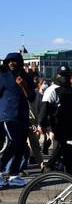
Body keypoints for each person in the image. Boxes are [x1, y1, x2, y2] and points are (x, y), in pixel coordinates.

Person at [39, 65, 72, 176]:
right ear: (58, 75)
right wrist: (42, 125)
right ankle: (50, 165)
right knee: (60, 146)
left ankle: (69, 170)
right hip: (57, 125)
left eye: (66, 75)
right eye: (62, 75)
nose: (64, 77)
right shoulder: (51, 90)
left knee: (69, 148)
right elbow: (45, 109)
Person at [0, 52, 36, 187]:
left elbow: (32, 98)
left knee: (21, 146)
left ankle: (13, 176)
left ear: (20, 62)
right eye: (9, 61)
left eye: (14, 61)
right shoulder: (2, 76)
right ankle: (1, 172)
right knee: (13, 142)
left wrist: (23, 86)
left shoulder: (26, 77)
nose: (11, 63)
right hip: (7, 115)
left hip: (22, 116)